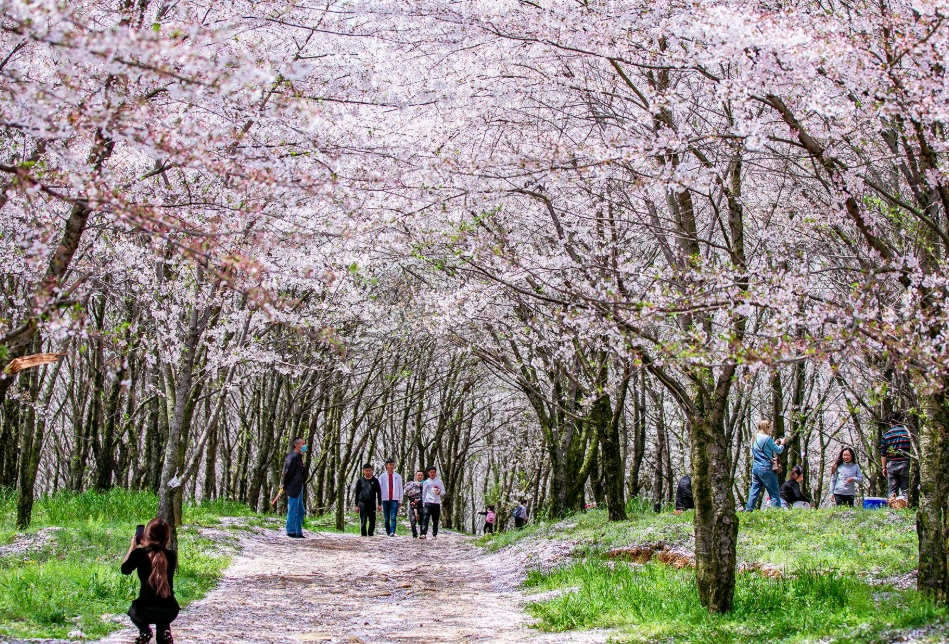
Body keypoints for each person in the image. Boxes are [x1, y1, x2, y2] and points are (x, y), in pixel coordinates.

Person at [121, 518, 179, 644]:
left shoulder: (139, 554)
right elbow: (157, 554)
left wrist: (133, 547)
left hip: (144, 610)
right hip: (170, 610)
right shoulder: (171, 556)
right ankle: (165, 633)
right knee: (162, 622)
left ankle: (144, 631)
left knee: (132, 610)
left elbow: (124, 569)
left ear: (146, 535)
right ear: (167, 538)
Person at [745, 419, 785, 511]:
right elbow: (778, 450)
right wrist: (782, 444)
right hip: (766, 468)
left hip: (756, 467)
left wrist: (773, 444)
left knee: (754, 490)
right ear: (767, 427)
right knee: (774, 493)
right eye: (770, 427)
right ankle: (776, 513)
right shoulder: (767, 438)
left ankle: (748, 510)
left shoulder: (755, 437)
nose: (771, 429)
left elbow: (763, 449)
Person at [881, 411, 912, 499]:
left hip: (892, 464)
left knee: (892, 489)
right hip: (906, 463)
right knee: (905, 488)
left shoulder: (887, 435)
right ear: (902, 420)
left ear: (891, 422)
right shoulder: (908, 434)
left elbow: (883, 453)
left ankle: (892, 508)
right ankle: (906, 506)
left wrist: (883, 467)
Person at [281, 438, 307, 538]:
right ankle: (290, 530)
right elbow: (287, 473)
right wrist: (285, 484)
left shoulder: (299, 457)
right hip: (293, 486)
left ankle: (298, 531)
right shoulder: (292, 457)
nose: (304, 446)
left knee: (300, 510)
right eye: (303, 444)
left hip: (299, 486)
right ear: (296, 445)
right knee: (293, 509)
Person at [353, 463, 382, 537]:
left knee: (372, 520)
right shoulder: (360, 481)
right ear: (363, 471)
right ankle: (363, 534)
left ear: (371, 471)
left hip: (372, 502)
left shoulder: (375, 481)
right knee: (363, 519)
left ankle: (370, 533)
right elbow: (357, 493)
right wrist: (356, 505)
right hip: (362, 502)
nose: (368, 472)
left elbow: (379, 493)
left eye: (369, 471)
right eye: (366, 471)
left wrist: (379, 504)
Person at [378, 458, 403, 537]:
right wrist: (379, 501)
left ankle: (392, 532)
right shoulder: (382, 477)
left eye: (393, 464)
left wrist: (400, 500)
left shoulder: (398, 476)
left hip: (394, 499)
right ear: (386, 465)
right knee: (386, 519)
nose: (392, 466)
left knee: (393, 517)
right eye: (390, 465)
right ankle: (388, 532)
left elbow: (400, 488)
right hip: (385, 499)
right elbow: (379, 489)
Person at [419, 465, 445, 540]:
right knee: (425, 518)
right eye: (431, 472)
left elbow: (443, 492)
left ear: (436, 473)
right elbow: (424, 493)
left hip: (436, 503)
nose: (432, 474)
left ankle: (434, 534)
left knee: (435, 520)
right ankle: (423, 533)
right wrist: (423, 503)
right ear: (428, 473)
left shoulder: (439, 481)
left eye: (434, 472)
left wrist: (439, 492)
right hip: (428, 502)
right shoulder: (426, 482)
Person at [402, 470, 425, 538]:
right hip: (412, 503)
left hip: (422, 504)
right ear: (416, 476)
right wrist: (411, 500)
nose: (420, 476)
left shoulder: (425, 484)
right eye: (418, 475)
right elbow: (406, 492)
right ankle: (414, 535)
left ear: (423, 476)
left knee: (422, 520)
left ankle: (422, 534)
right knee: (412, 520)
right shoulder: (411, 484)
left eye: (421, 475)